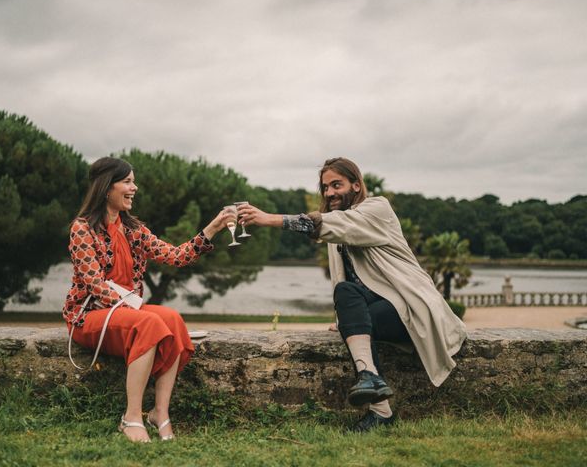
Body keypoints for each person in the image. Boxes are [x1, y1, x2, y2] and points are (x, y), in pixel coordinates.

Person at [238, 157, 467, 432]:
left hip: (409, 307)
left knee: (356, 311)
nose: (329, 193)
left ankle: (373, 392)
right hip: (377, 311)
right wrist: (346, 318)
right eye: (325, 187)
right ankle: (378, 402)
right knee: (345, 291)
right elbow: (344, 284)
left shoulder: (377, 209)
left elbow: (330, 224)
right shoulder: (336, 232)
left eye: (337, 184)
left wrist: (269, 219)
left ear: (356, 186)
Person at [63, 157, 234, 443]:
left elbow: (177, 256)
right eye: (127, 181)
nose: (135, 187)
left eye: (134, 181)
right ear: (107, 187)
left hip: (127, 313)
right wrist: (137, 305)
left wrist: (214, 226)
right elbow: (94, 284)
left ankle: (159, 413)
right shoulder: (82, 229)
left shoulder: (133, 229)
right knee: (150, 322)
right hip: (89, 316)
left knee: (173, 320)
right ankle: (131, 417)